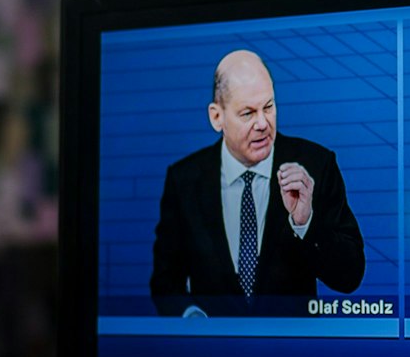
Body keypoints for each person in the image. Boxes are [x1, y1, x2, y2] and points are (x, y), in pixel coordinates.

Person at [149, 49, 365, 316]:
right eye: (248, 113)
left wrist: (305, 223)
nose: (263, 123)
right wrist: (188, 315)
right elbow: (164, 280)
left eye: (269, 107)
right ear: (217, 117)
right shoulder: (184, 180)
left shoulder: (316, 166)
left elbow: (350, 276)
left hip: (293, 353)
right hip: (211, 352)